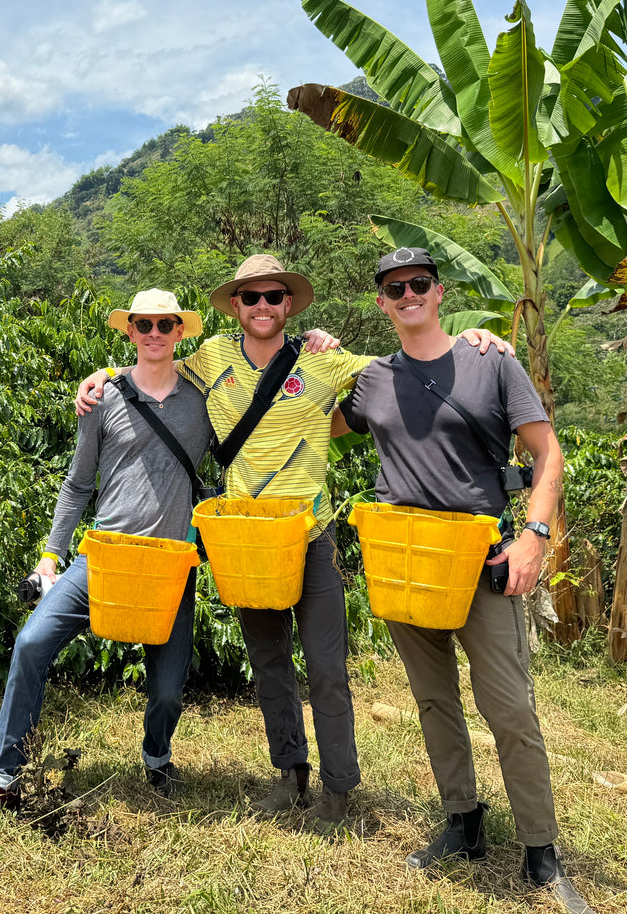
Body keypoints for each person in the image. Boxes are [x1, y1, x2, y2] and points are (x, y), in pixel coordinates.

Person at [77, 254, 508, 834]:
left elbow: (404, 361)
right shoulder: (210, 359)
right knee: (270, 662)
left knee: (328, 667)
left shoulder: (322, 361)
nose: (262, 307)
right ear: (235, 306)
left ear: (289, 305)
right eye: (250, 297)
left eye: (273, 297)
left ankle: (338, 788)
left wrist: (469, 339)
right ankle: (289, 774)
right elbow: (152, 364)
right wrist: (101, 378)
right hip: (245, 540)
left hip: (312, 535)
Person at [333, 247, 592, 912]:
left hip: (481, 559)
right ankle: (462, 822)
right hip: (402, 560)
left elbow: (545, 452)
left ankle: (539, 849)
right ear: (382, 303)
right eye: (394, 287)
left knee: (508, 706)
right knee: (432, 699)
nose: (407, 294)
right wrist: (308, 359)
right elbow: (302, 420)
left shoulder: (489, 361)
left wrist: (534, 537)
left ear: (438, 292)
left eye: (418, 283)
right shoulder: (371, 379)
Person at [0, 289, 213, 819]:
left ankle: (157, 756)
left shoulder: (203, 397)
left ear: (179, 331)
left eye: (164, 324)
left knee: (168, 690)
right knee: (31, 643)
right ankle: (3, 780)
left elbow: (253, 374)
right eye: (142, 323)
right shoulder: (102, 399)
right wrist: (51, 557)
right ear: (129, 331)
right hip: (101, 557)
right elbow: (77, 486)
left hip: (169, 565)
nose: (153, 333)